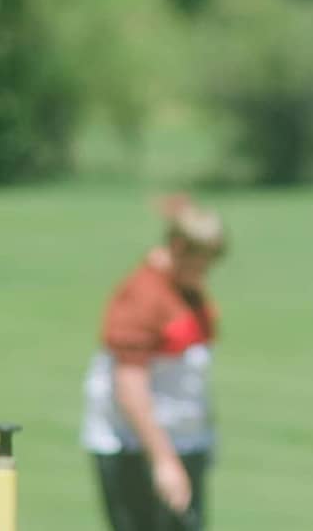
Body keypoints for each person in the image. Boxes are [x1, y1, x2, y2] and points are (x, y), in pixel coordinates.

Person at [81, 195, 227, 531]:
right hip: (136, 449)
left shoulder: (187, 289)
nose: (204, 274)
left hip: (184, 442)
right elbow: (129, 386)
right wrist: (163, 461)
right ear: (178, 248)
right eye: (199, 265)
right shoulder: (142, 296)